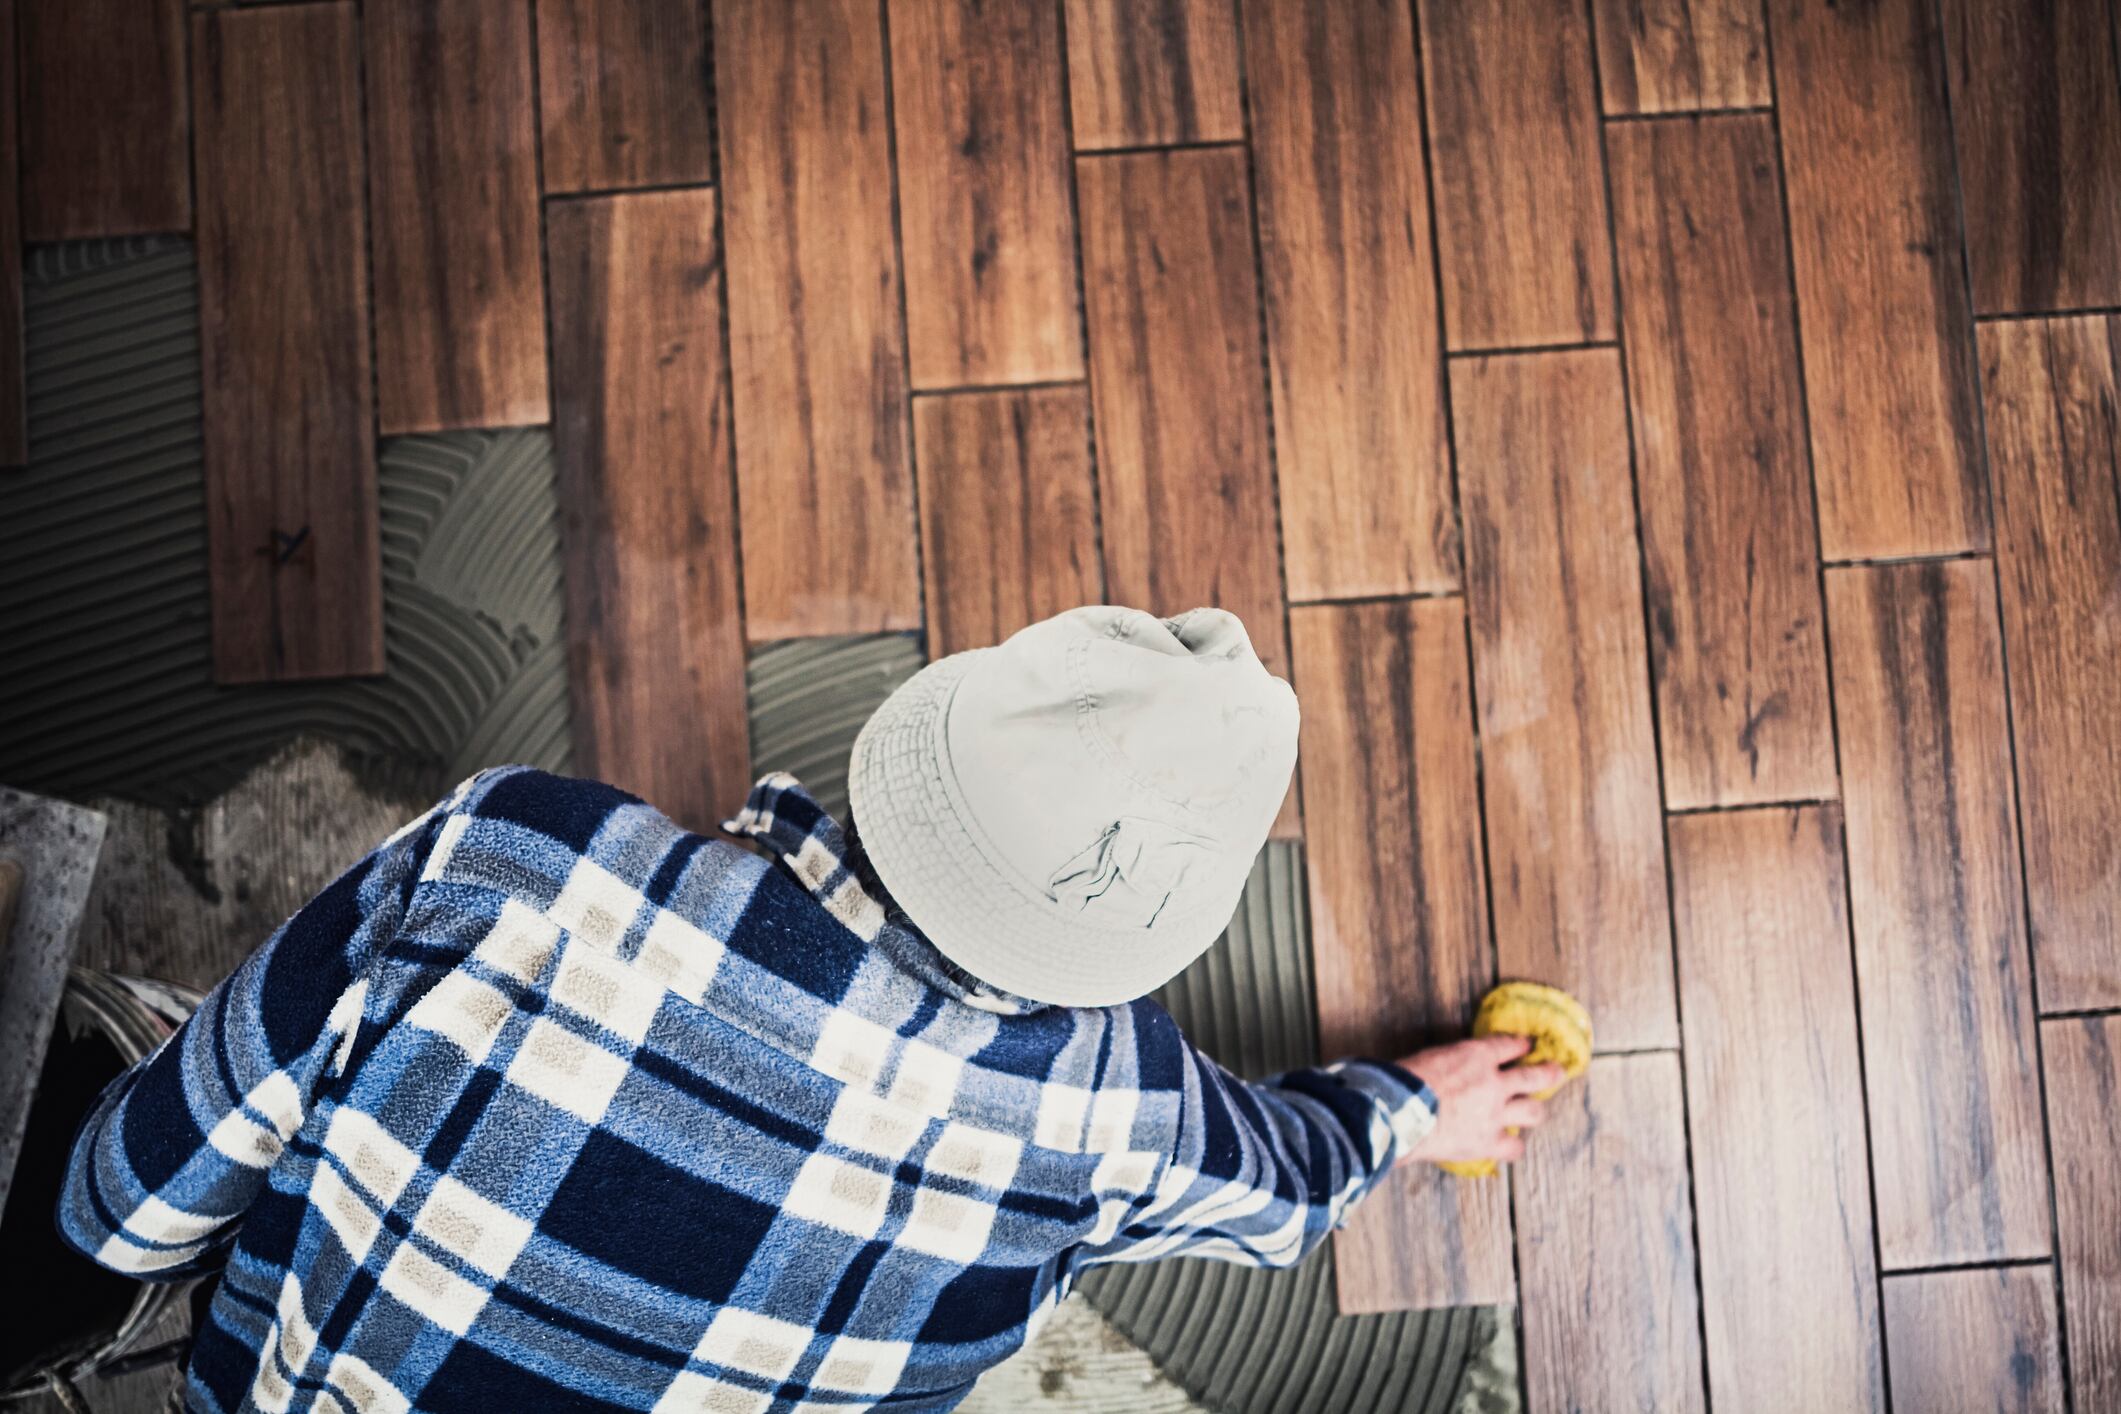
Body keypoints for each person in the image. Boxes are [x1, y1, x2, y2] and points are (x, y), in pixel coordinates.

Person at [57, 605, 1559, 1413]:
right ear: (1154, 928)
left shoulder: (522, 855)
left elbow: (124, 1197)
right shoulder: (1115, 1109)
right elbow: (1278, 1189)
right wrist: (1415, 1106)